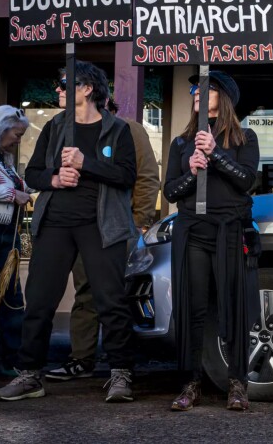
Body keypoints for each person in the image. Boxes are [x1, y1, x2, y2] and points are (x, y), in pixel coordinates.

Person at [0, 62, 138, 403]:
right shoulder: (56, 126)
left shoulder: (117, 130)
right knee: (39, 301)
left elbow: (127, 175)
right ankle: (30, 375)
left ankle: (121, 374)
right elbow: (35, 174)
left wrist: (86, 164)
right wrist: (56, 178)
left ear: (87, 89)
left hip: (100, 226)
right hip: (56, 223)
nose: (57, 90)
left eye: (63, 84)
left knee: (110, 300)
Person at [164, 71, 260, 412]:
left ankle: (238, 384)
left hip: (230, 230)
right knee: (193, 308)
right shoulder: (180, 142)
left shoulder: (245, 138)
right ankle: (190, 384)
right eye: (194, 88)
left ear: (225, 97)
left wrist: (216, 154)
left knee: (233, 307)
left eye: (207, 87)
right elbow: (170, 192)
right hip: (193, 231)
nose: (196, 92)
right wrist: (191, 171)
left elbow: (247, 181)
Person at [46, 98, 160, 382]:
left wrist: (136, 222)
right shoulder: (72, 131)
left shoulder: (128, 129)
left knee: (114, 292)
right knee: (85, 290)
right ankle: (81, 358)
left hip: (117, 227)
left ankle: (118, 363)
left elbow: (146, 178)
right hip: (80, 224)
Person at [0, 106, 31, 376]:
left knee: (12, 297)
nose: (18, 139)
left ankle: (14, 361)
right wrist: (12, 194)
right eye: (17, 133)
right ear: (1, 128)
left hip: (5, 234)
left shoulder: (2, 158)